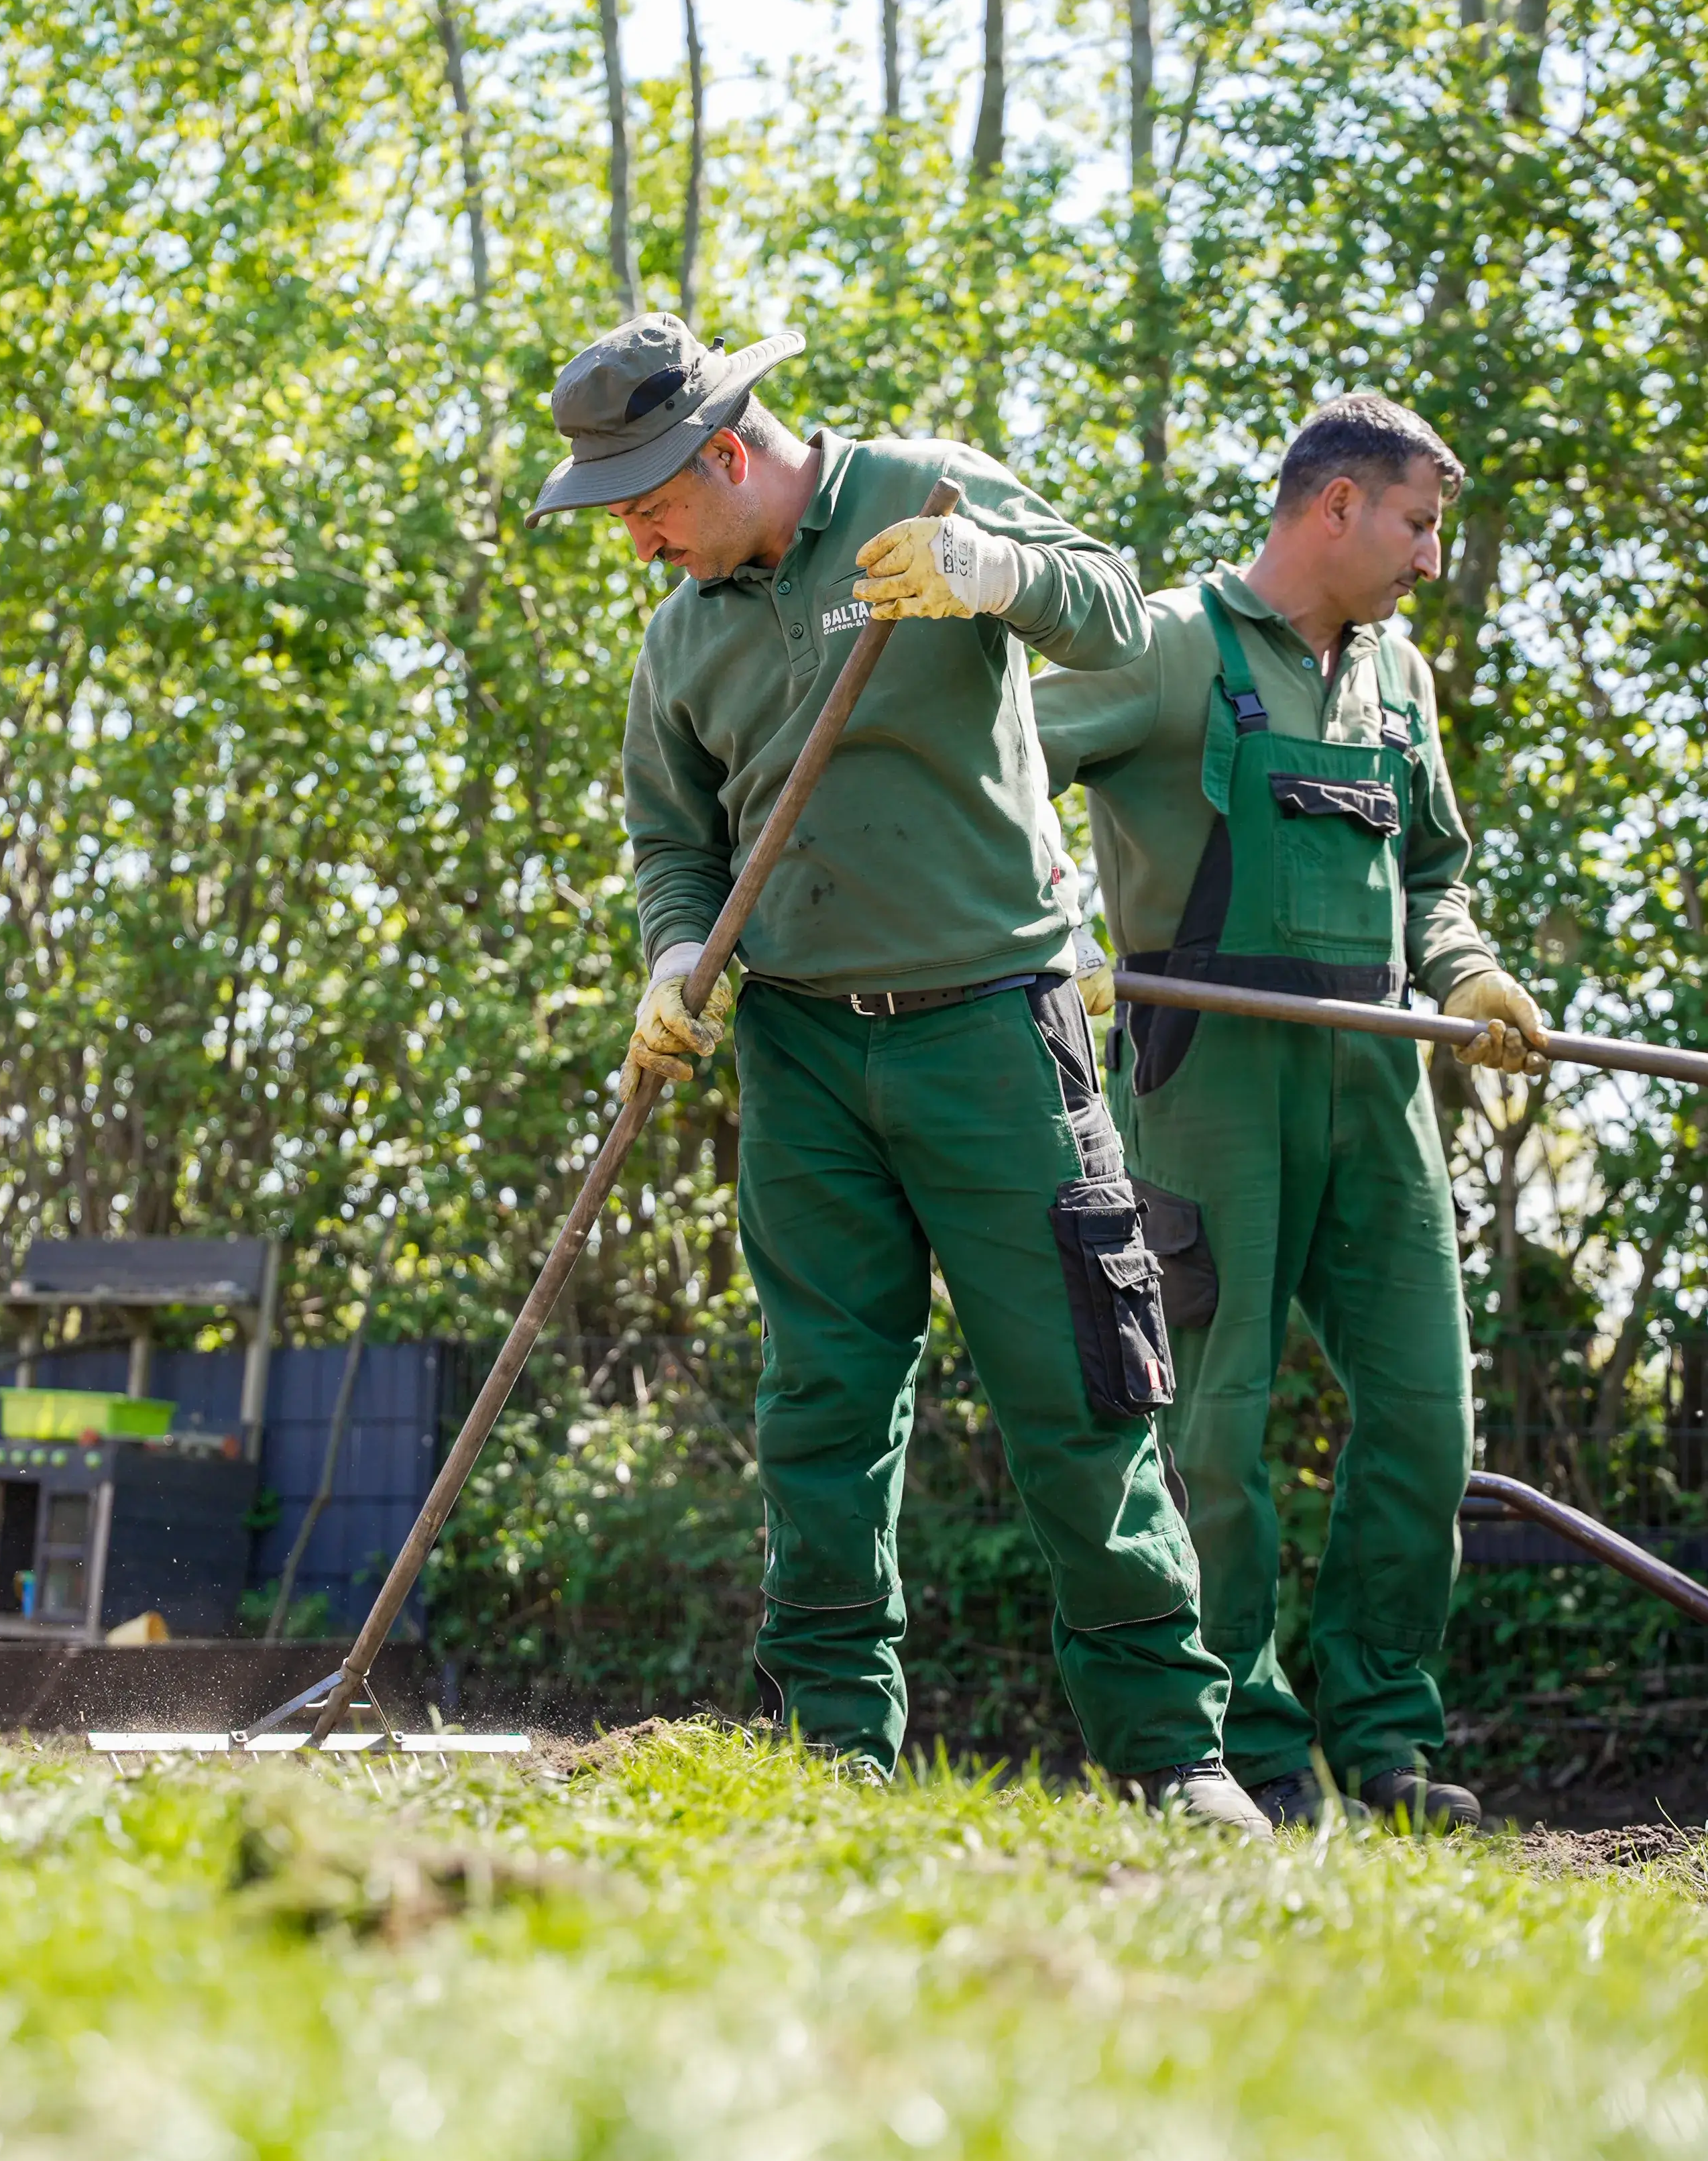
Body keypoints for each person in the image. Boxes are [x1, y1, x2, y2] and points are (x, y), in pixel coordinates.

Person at [528, 309, 1269, 1833]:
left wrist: (997, 574)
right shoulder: (682, 639)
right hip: (800, 1053)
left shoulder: (926, 493)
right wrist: (678, 964)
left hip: (994, 1029)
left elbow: (1122, 617)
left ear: (726, 455)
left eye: (650, 509)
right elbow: (677, 846)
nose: (642, 547)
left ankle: (1173, 1759)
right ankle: (830, 1756)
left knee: (1082, 1392)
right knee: (821, 1403)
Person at [1034, 392, 1548, 1830]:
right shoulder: (1166, 642)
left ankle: (1382, 1739)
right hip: (1210, 1078)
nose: (1431, 556)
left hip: (1379, 1086)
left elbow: (1431, 872)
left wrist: (1471, 969)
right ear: (1335, 505)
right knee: (1216, 1426)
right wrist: (1042, 929)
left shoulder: (1401, 681)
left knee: (1427, 1416)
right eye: (1418, 523)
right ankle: (1252, 1748)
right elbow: (1008, 773)